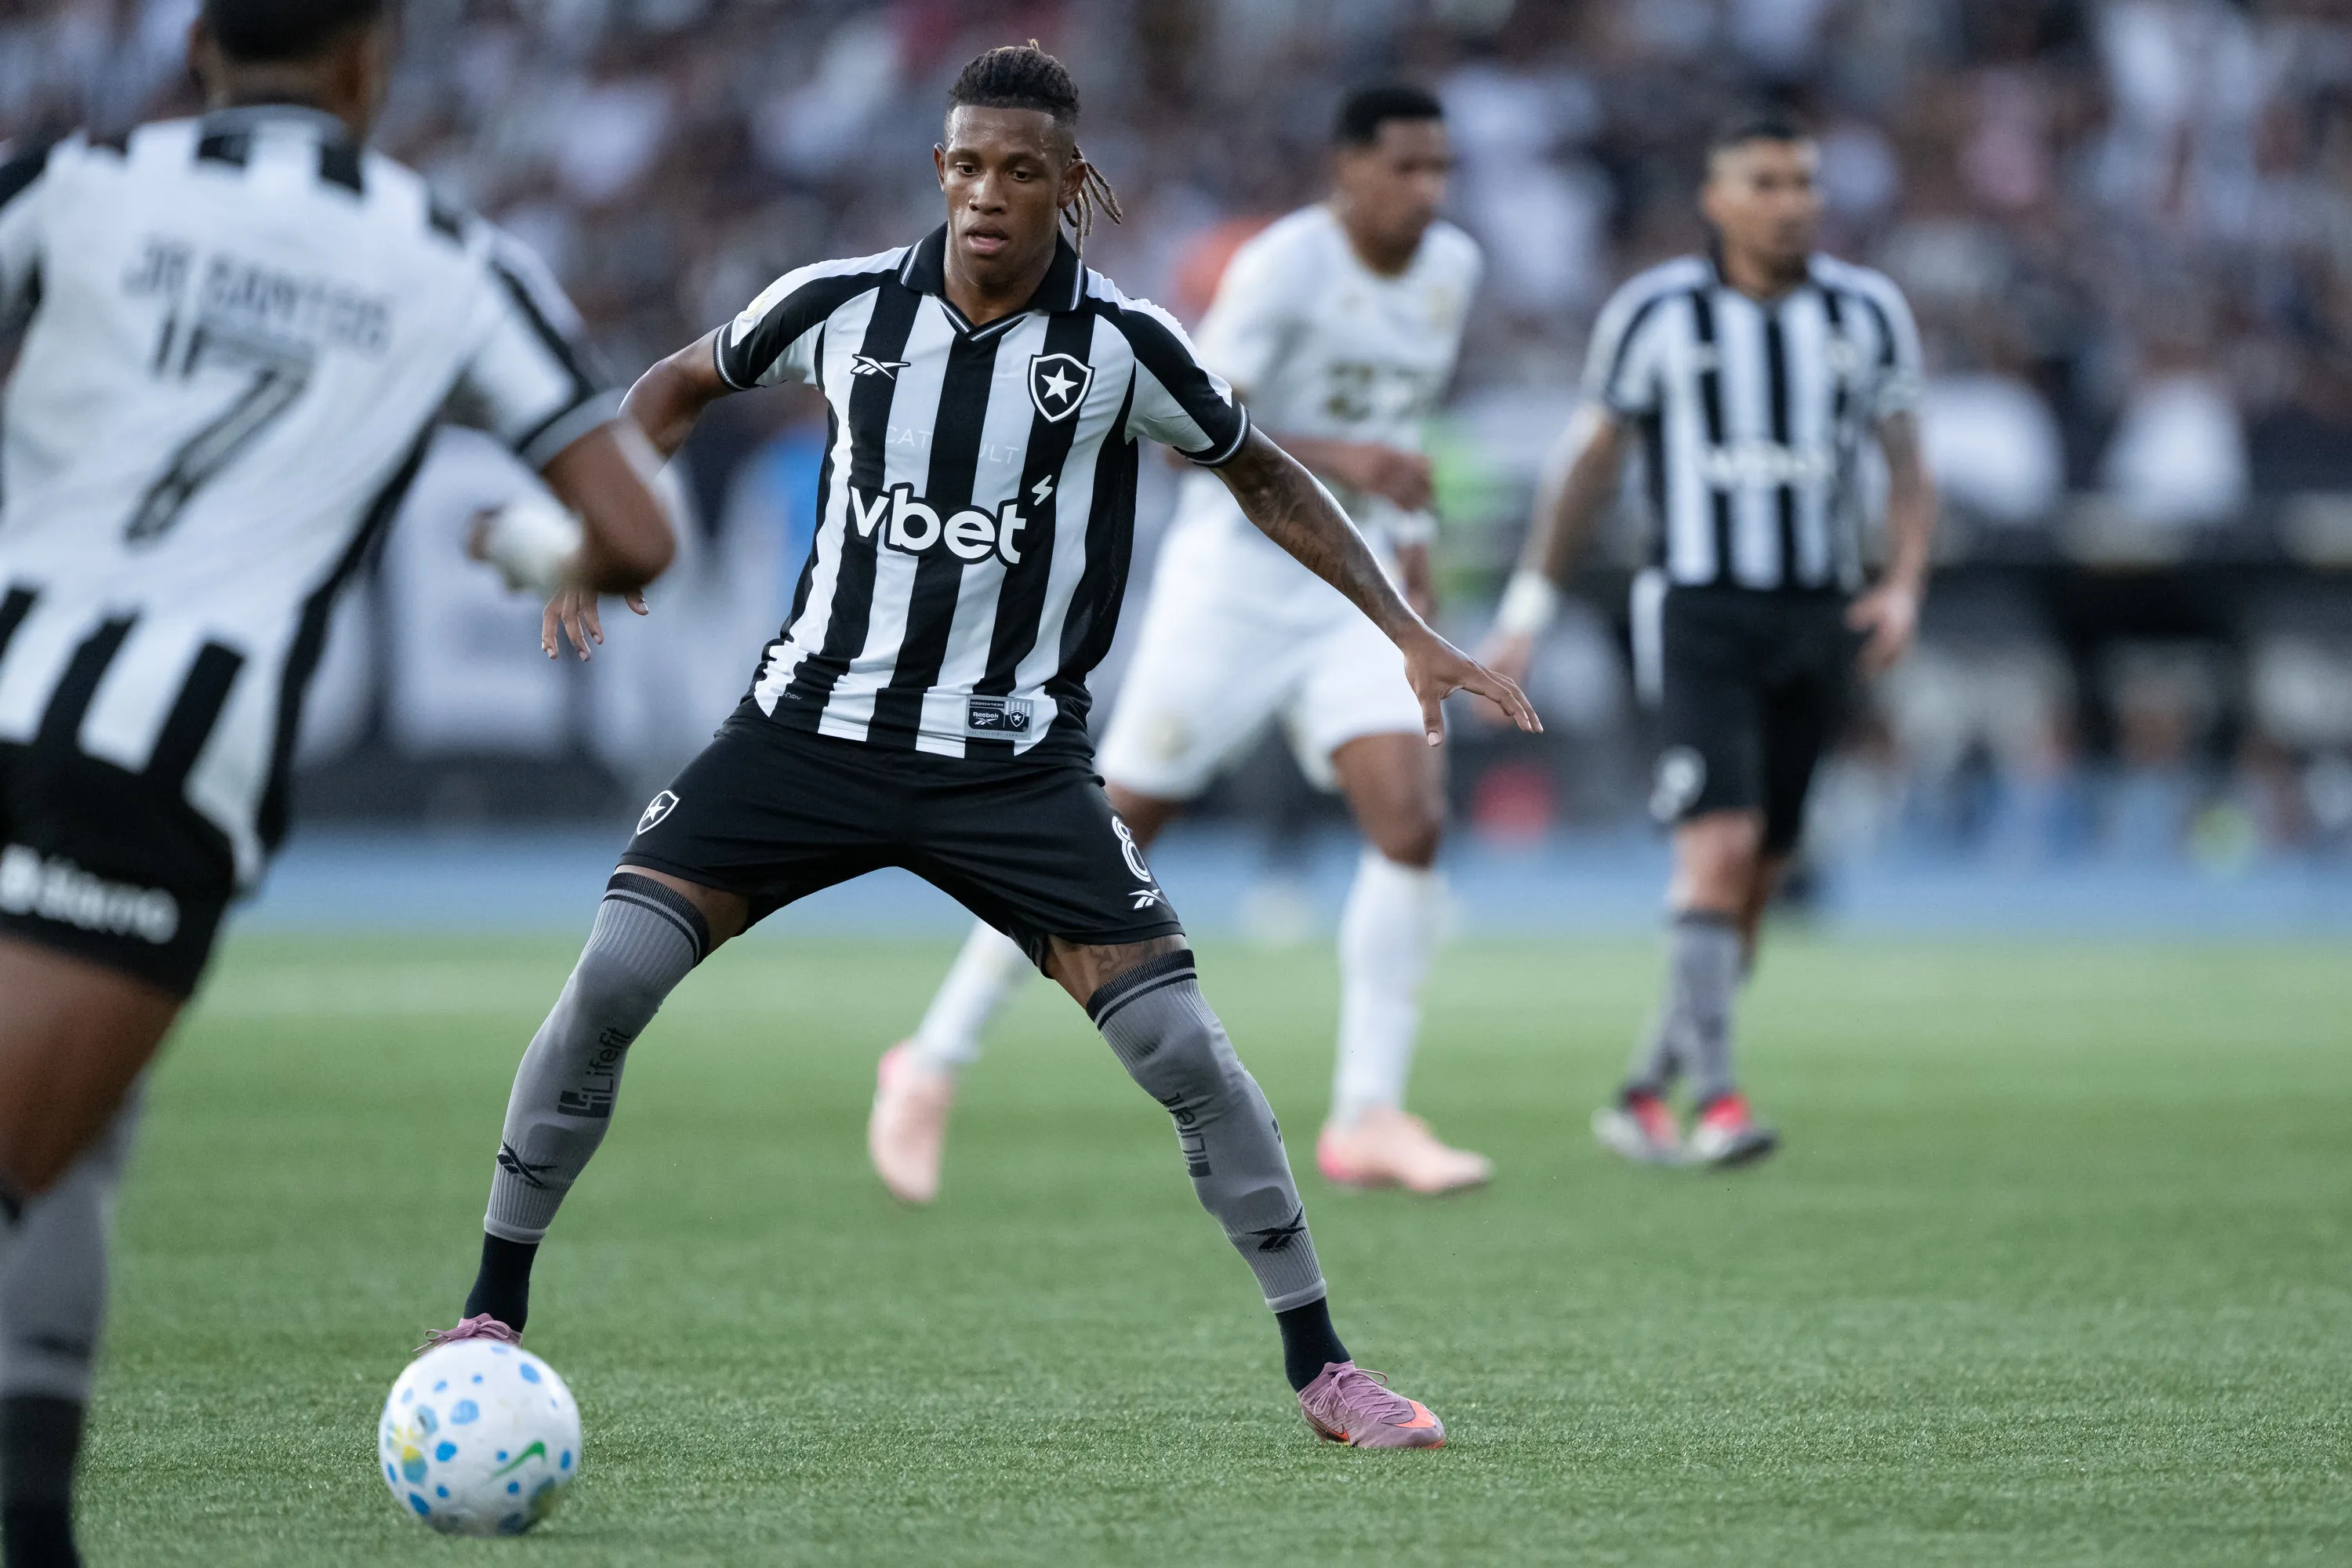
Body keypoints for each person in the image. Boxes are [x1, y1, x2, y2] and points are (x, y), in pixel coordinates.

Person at [427, 43, 1537, 1451]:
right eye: (968, 167)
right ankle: (489, 1310)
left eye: (1024, 171)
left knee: (1184, 1049)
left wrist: (1401, 629)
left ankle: (1323, 1365)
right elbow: (672, 382)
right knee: (614, 979)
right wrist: (595, 528)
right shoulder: (834, 307)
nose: (990, 195)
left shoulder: (1123, 348)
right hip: (805, 733)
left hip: (1011, 767)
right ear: (937, 172)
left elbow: (1265, 475)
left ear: (1073, 186)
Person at [0, 2, 675, 1561]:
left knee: (74, 1151)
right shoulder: (450, 259)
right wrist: (529, 550)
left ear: (195, 58)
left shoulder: (77, 180)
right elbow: (637, 538)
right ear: (372, 66)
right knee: (32, 1161)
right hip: (156, 754)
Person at [867, 82, 1491, 1207]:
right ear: (1347, 172)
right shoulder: (1284, 269)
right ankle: (931, 1058)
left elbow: (1403, 444)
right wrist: (1356, 463)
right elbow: (1190, 431)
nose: (1427, 192)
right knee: (1111, 836)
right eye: (1405, 169)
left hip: (1355, 591)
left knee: (1411, 818)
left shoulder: (1453, 269)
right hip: (1236, 588)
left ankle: (1369, 1112)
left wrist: (1416, 568)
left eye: (1440, 170)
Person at [1483, 108, 1935, 1170]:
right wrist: (1529, 612)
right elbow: (1587, 468)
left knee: (1761, 876)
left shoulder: (1868, 311)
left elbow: (1908, 461)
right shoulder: (1656, 314)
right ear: (1718, 200)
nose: (1793, 203)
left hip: (1818, 615)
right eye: (1768, 183)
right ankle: (1720, 1104)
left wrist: (1905, 583)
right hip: (1698, 610)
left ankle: (1644, 1089)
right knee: (1717, 849)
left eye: (1805, 182)